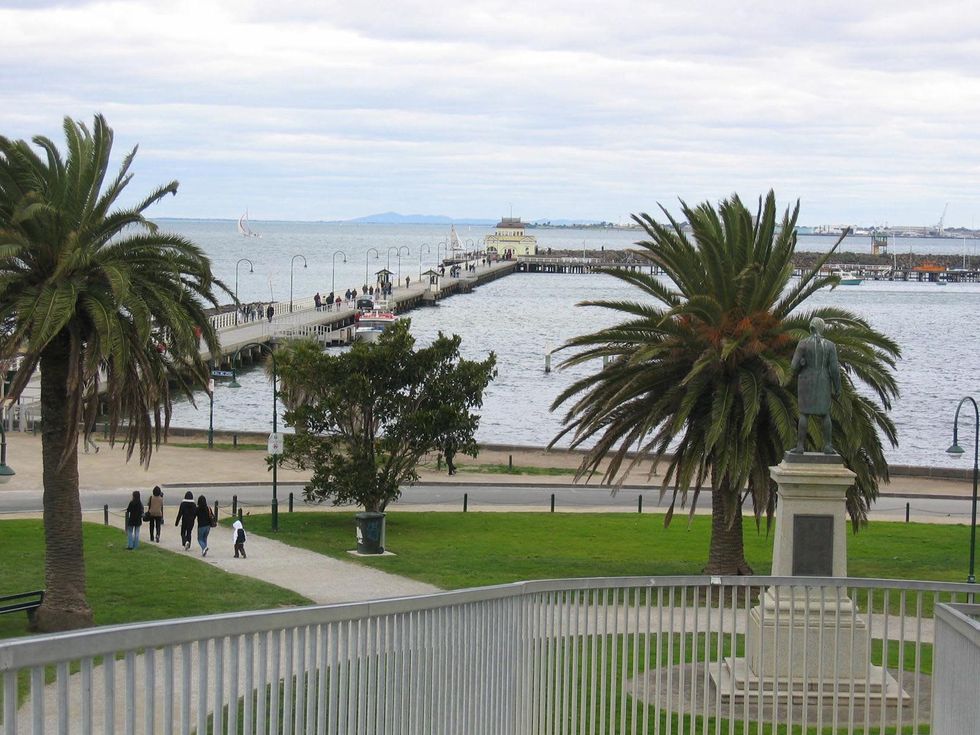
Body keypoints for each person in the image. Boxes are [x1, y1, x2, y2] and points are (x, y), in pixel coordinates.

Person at [790, 317, 841, 454]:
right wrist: (837, 387)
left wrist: (801, 363)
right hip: (824, 380)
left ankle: (800, 446)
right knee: (825, 414)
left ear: (811, 327)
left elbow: (793, 366)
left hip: (806, 380)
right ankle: (828, 446)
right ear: (821, 328)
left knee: (804, 414)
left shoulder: (803, 344)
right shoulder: (830, 345)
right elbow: (835, 369)